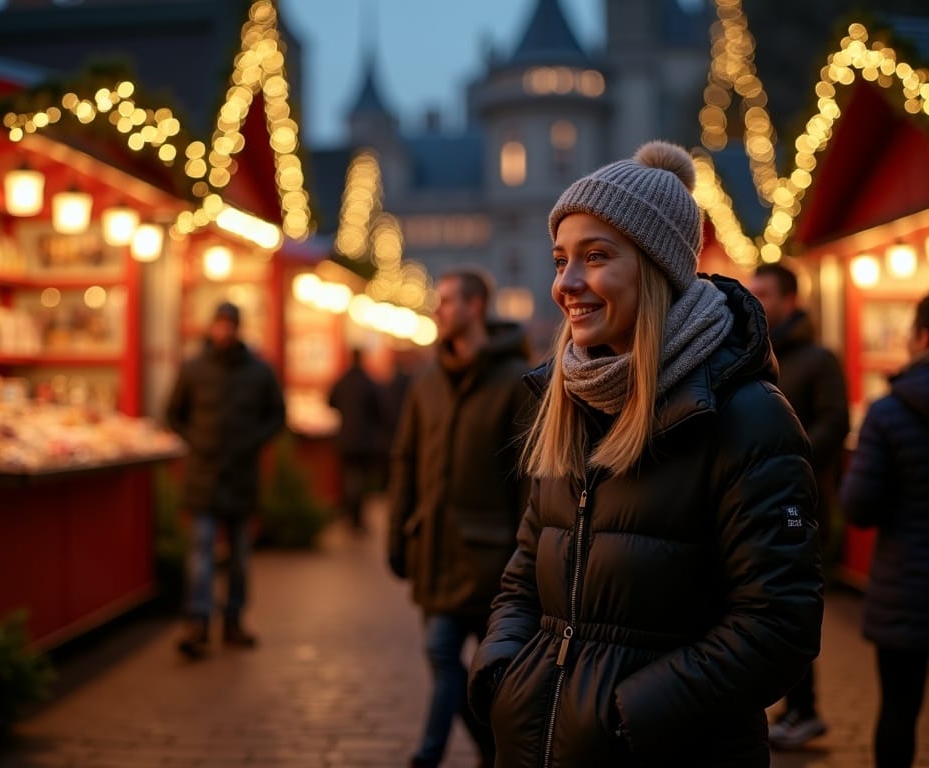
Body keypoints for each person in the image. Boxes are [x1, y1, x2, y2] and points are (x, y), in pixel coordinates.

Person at [466, 141, 824, 767]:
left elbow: (778, 628)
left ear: (655, 268)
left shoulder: (745, 416)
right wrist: (503, 672)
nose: (566, 284)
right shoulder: (572, 401)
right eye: (560, 260)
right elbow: (527, 571)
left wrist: (623, 717)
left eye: (596, 257)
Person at [388, 267, 533, 768]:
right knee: (442, 655)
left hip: (493, 558)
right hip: (434, 549)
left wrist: (527, 555)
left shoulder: (515, 381)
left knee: (484, 669)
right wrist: (396, 535)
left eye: (447, 301)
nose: (438, 310)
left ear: (475, 307)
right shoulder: (426, 383)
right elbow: (405, 461)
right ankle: (476, 751)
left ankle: (436, 754)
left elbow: (528, 478)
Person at [748, 262, 850, 749]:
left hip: (804, 506)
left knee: (793, 608)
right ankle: (788, 706)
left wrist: (787, 461)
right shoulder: (749, 355)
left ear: (790, 298)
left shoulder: (818, 359)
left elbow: (835, 424)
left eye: (763, 292)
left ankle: (805, 710)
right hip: (752, 508)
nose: (756, 300)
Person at [840, 288, 929, 768]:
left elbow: (858, 506)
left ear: (921, 335)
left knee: (899, 710)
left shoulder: (889, 412)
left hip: (907, 589)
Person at [166, 301, 286, 659]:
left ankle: (233, 619)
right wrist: (196, 440)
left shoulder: (260, 372)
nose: (224, 331)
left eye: (229, 325)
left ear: (238, 328)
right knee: (201, 553)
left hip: (241, 475)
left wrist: (252, 442)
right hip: (202, 476)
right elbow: (173, 413)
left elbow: (277, 416)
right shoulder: (193, 369)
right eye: (219, 325)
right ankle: (198, 622)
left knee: (239, 556)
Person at [328, 347, 384, 532]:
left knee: (349, 477)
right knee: (359, 478)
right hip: (365, 439)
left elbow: (330, 401)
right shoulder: (369, 382)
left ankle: (351, 515)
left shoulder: (343, 381)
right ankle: (357, 518)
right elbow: (379, 409)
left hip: (345, 438)